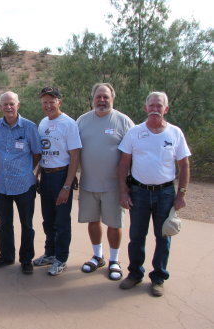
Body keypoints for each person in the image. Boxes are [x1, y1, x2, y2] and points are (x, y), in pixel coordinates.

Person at [118, 91, 191, 297]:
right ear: (145, 108)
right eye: (151, 105)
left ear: (166, 109)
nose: (155, 109)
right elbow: (124, 163)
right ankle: (134, 274)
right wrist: (123, 192)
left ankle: (158, 278)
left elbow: (184, 165)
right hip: (139, 192)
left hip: (165, 193)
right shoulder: (134, 132)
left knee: (163, 237)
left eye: (159, 106)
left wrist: (181, 194)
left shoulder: (175, 133)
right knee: (136, 236)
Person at [76, 83, 134, 281]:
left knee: (114, 223)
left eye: (105, 97)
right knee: (92, 221)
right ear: (92, 99)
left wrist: (128, 184)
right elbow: (74, 151)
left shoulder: (124, 122)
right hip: (88, 184)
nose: (102, 100)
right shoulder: (82, 121)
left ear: (112, 99)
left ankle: (114, 260)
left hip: (114, 186)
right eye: (98, 97)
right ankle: (97, 256)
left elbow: (133, 153)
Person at [0, 91, 42, 274]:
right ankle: (6, 256)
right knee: (4, 224)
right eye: (5, 104)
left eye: (12, 104)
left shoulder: (29, 127)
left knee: (27, 224)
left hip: (24, 184)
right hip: (1, 184)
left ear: (18, 105)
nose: (8, 107)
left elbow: (37, 154)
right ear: (0, 106)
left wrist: (29, 172)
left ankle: (26, 259)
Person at [33, 87, 82, 276]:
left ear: (59, 102)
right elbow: (42, 152)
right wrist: (37, 173)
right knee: (48, 219)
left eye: (51, 101)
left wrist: (67, 186)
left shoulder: (68, 123)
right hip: (46, 175)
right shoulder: (43, 123)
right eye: (44, 102)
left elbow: (75, 156)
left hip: (61, 176)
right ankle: (50, 253)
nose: (48, 105)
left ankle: (61, 258)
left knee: (62, 221)